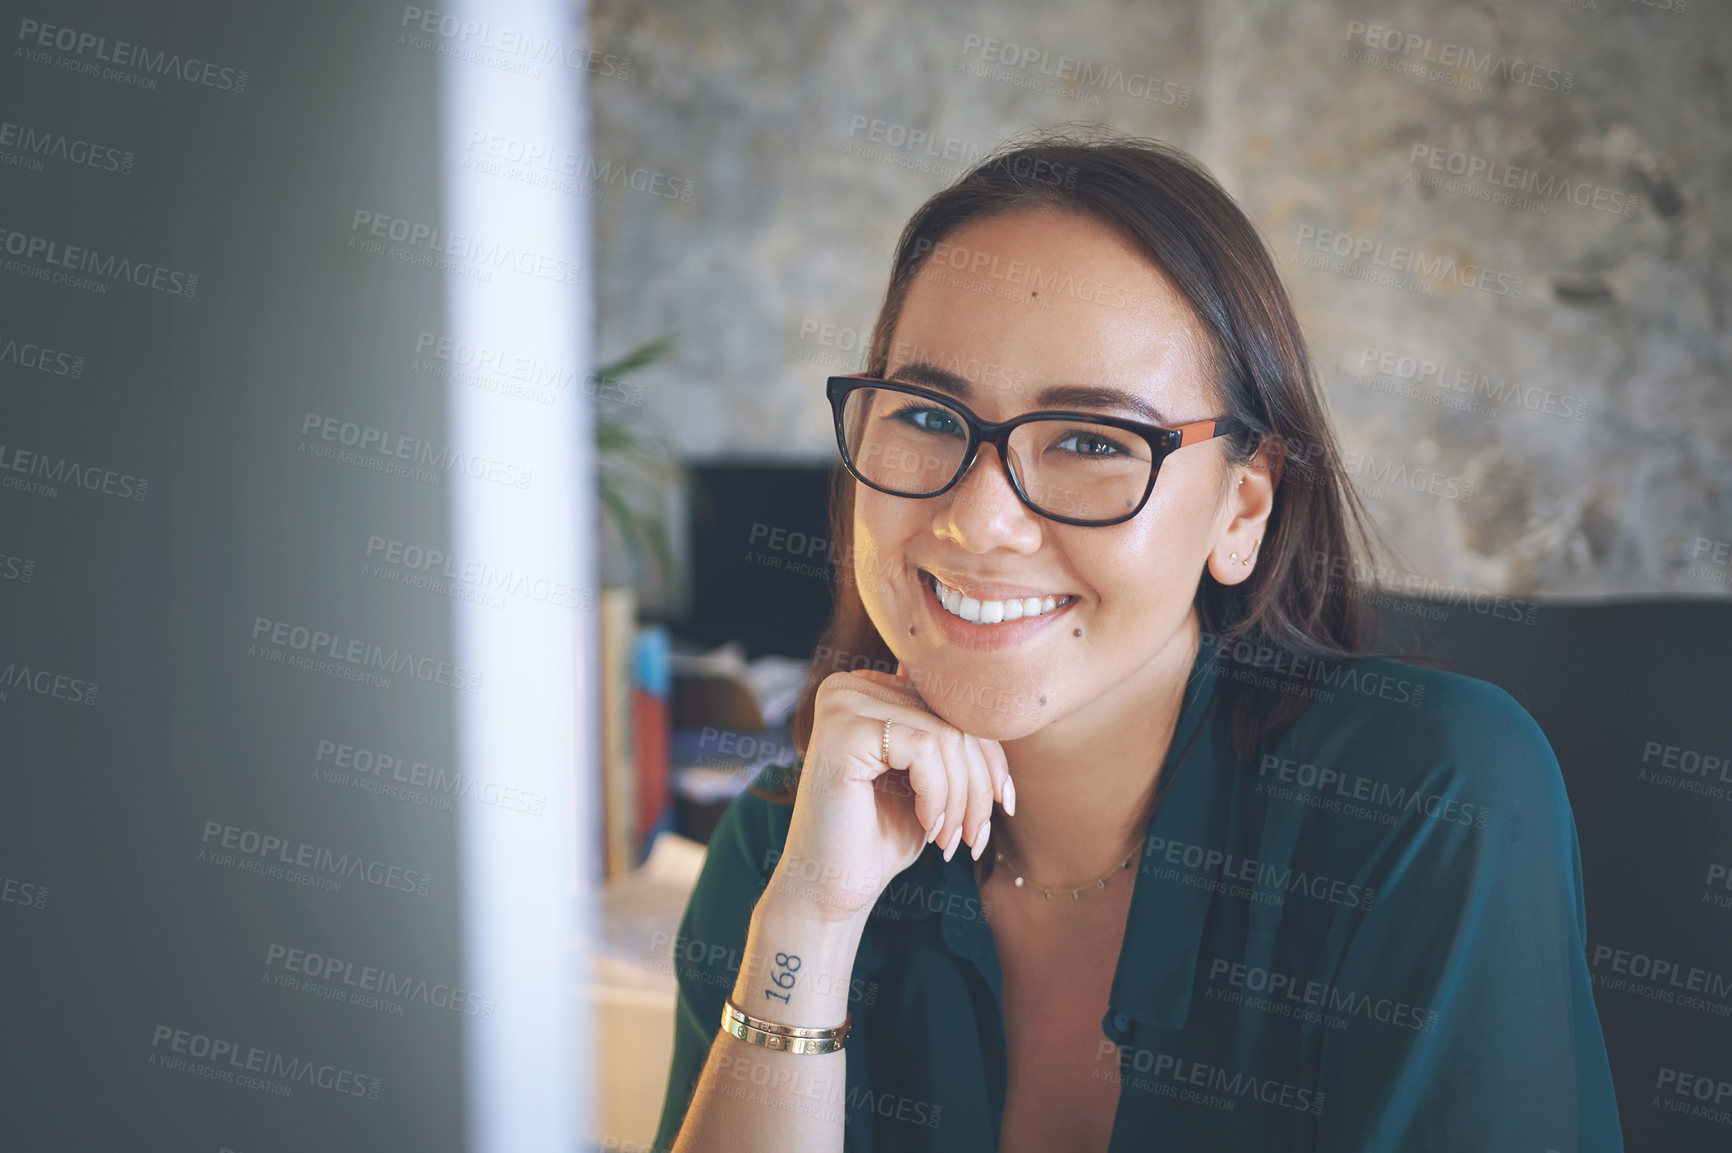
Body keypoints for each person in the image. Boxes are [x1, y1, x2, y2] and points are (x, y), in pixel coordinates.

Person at [651, 132, 1623, 1153]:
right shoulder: (793, 840)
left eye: (1090, 441)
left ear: (1242, 509)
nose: (978, 521)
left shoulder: (1432, 797)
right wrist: (809, 925)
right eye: (930, 416)